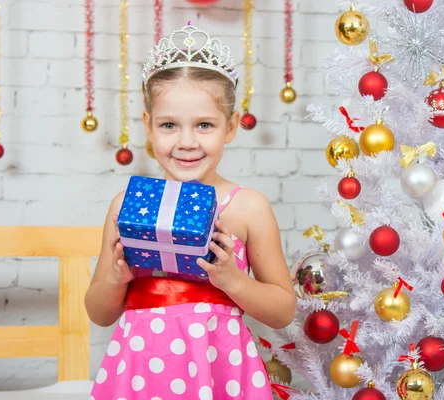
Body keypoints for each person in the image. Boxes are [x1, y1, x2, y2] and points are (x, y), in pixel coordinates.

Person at [85, 23, 296, 400]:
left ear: (230, 127)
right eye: (169, 125)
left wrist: (232, 280)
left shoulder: (248, 207)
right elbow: (99, 314)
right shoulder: (125, 205)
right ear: (148, 126)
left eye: (204, 125)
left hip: (220, 368)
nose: (186, 142)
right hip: (139, 368)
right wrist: (117, 278)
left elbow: (282, 312)